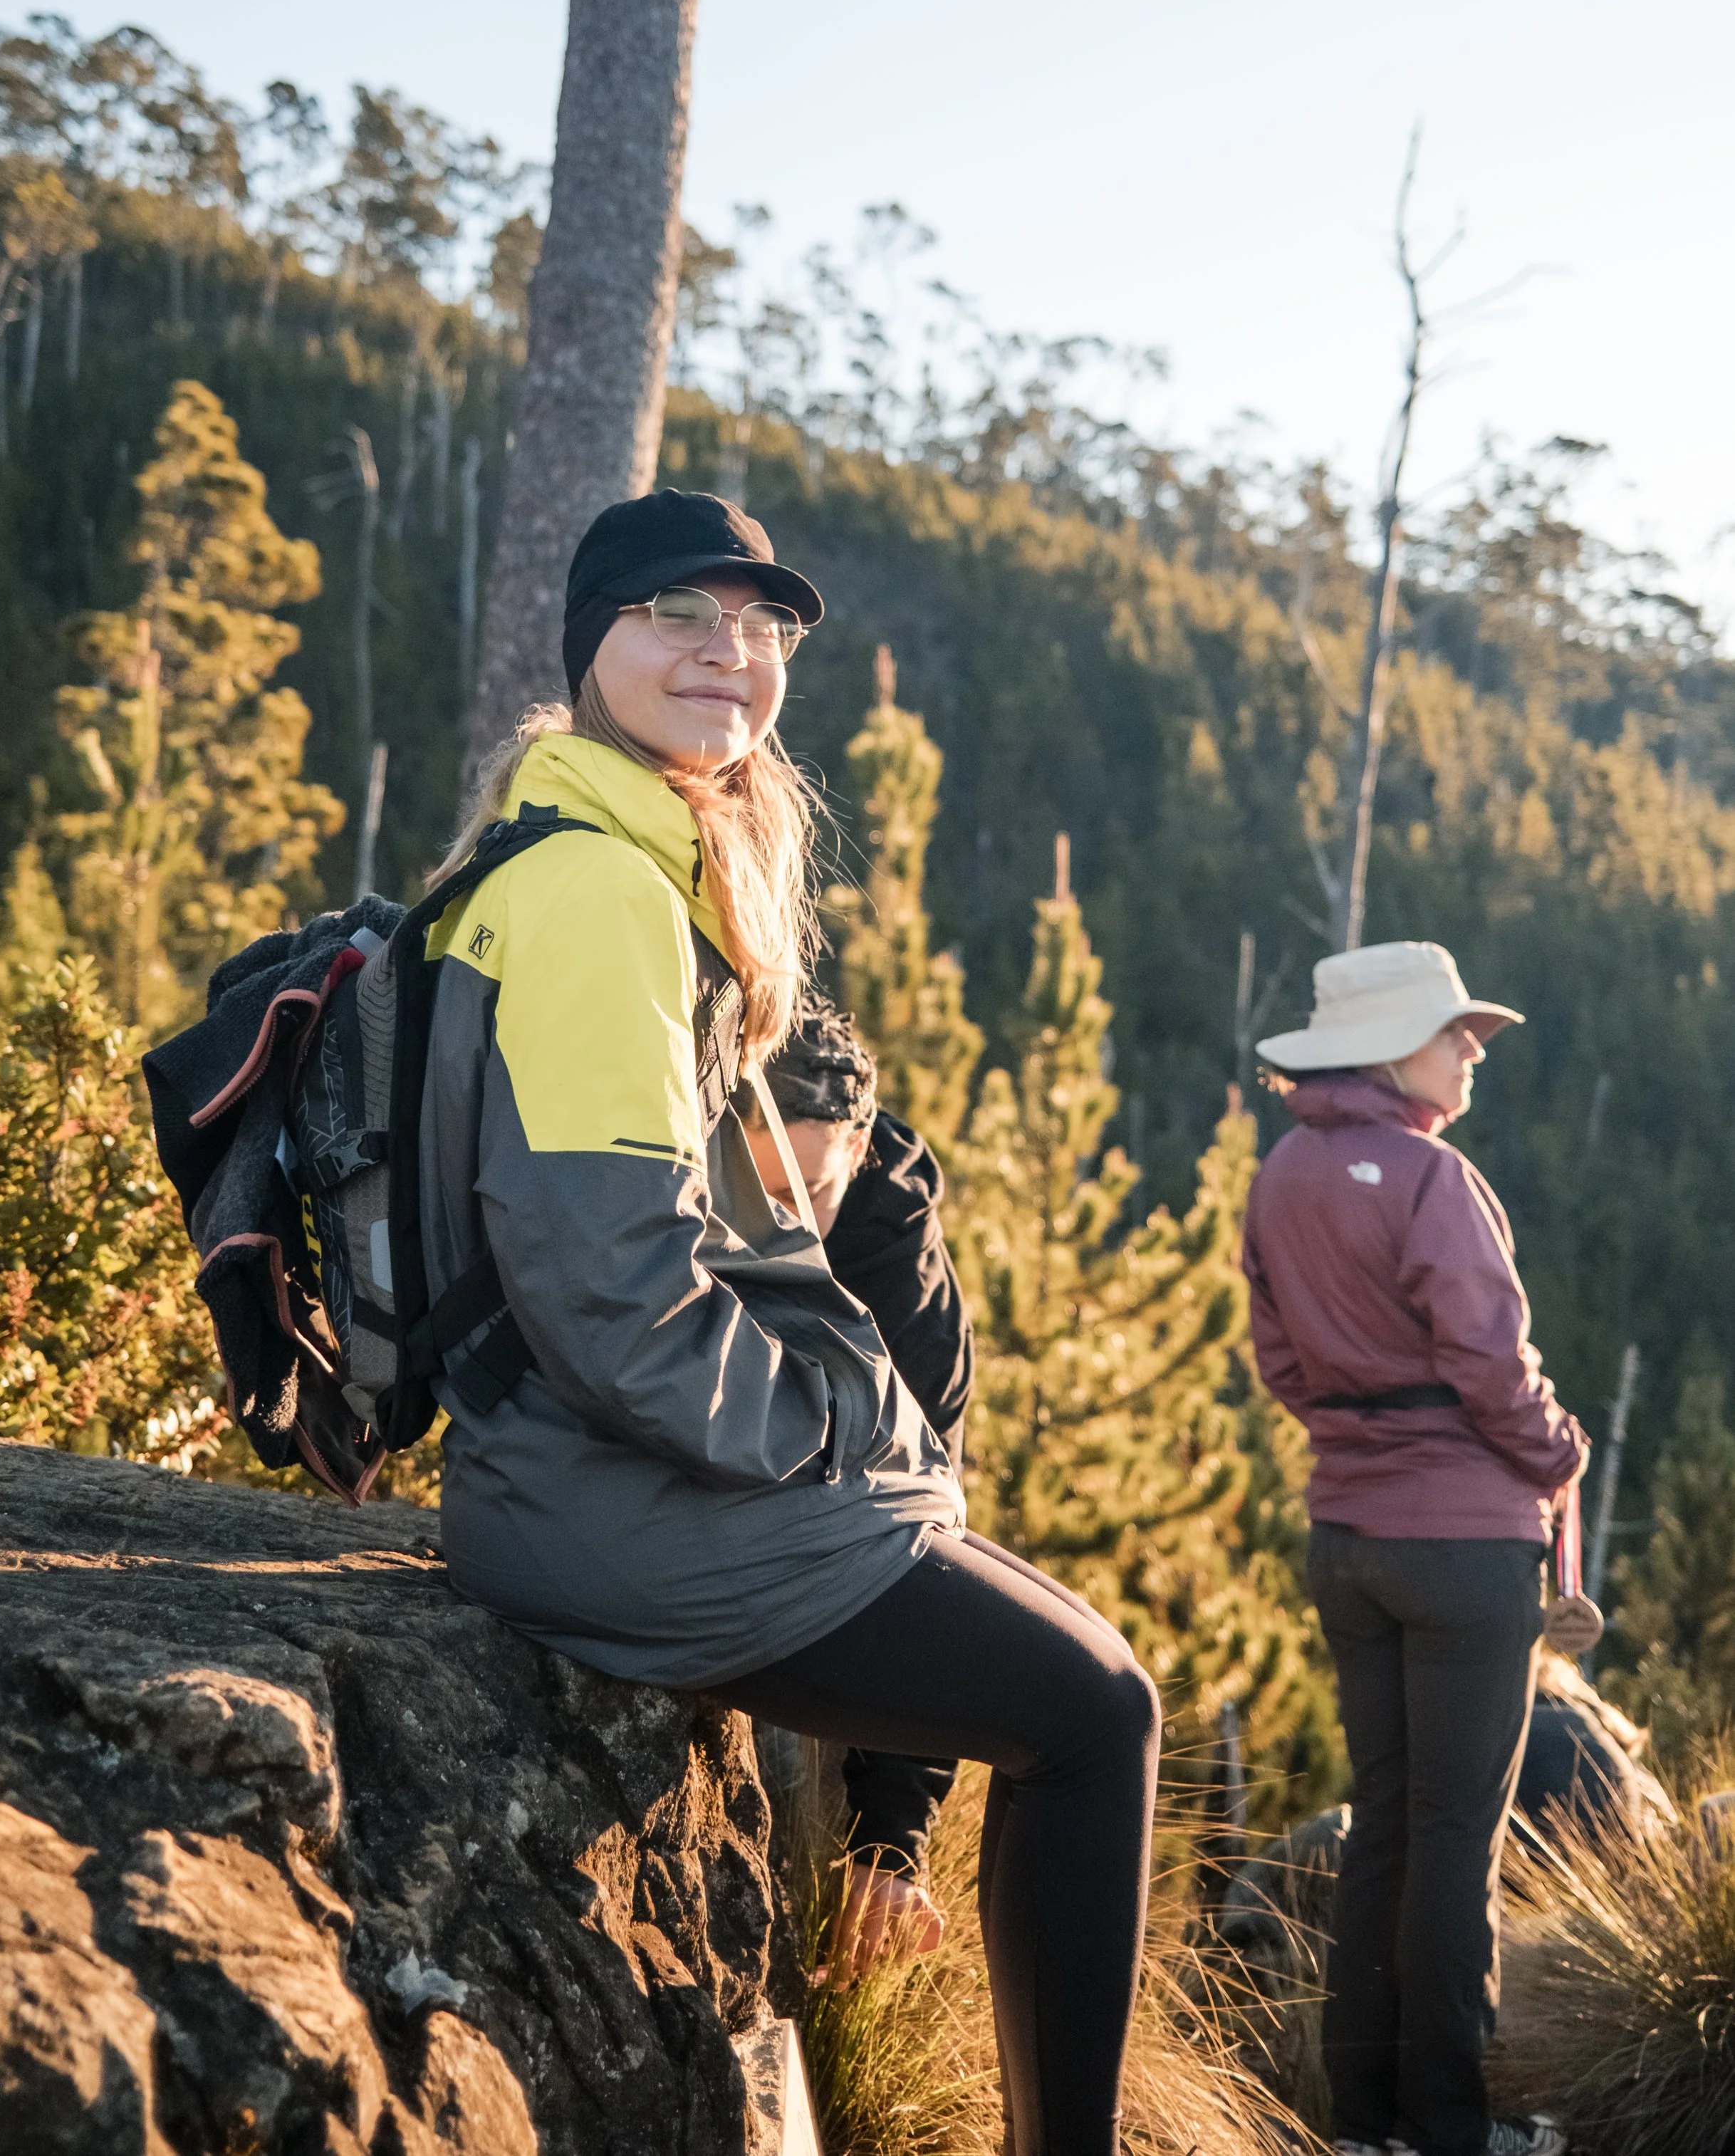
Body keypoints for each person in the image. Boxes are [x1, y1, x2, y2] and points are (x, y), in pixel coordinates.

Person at [420, 488, 1159, 2156]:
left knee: (1086, 1664)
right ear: (588, 644)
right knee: (1090, 1719)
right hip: (603, 1493)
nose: (722, 652)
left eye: (754, 629)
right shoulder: (601, 890)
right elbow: (613, 1289)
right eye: (674, 614)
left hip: (572, 1462)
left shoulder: (599, 852)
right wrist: (812, 1436)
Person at [1241, 941, 1588, 2156]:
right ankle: (1450, 2129)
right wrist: (1556, 1450)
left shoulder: (1282, 1172)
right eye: (1455, 1031)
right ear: (1395, 1049)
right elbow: (1493, 1365)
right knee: (1454, 1838)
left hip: (1349, 1537)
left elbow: (1280, 1358)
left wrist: (1359, 1432)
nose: (1473, 1046)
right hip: (1465, 1545)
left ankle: (1362, 2123)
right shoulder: (1435, 1179)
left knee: (1384, 1823)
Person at [743, 995, 975, 1974]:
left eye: (816, 1191)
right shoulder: (678, 1207)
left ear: (864, 1147)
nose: (785, 1222)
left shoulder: (905, 1294)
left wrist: (892, 1836)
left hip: (846, 1561)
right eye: (761, 1190)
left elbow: (930, 1535)